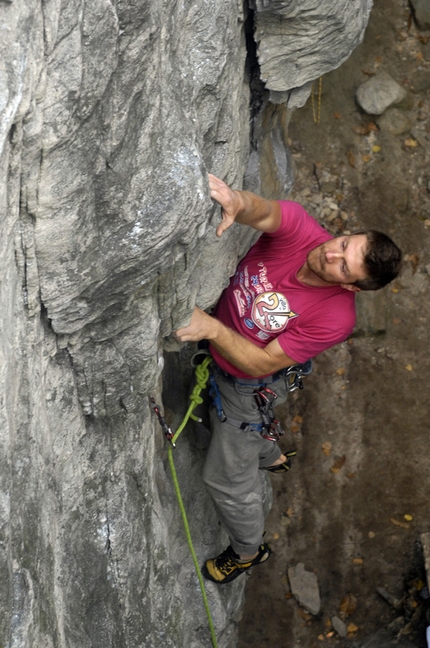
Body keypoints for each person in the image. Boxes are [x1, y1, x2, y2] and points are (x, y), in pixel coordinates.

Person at [174, 173, 402, 585]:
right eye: (344, 243)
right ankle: (269, 455)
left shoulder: (335, 318)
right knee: (245, 427)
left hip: (246, 384)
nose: (332, 254)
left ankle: (247, 550)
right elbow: (265, 212)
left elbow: (260, 364)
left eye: (344, 265)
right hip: (235, 364)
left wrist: (212, 330)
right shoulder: (302, 230)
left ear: (353, 287)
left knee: (225, 479)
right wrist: (236, 202)